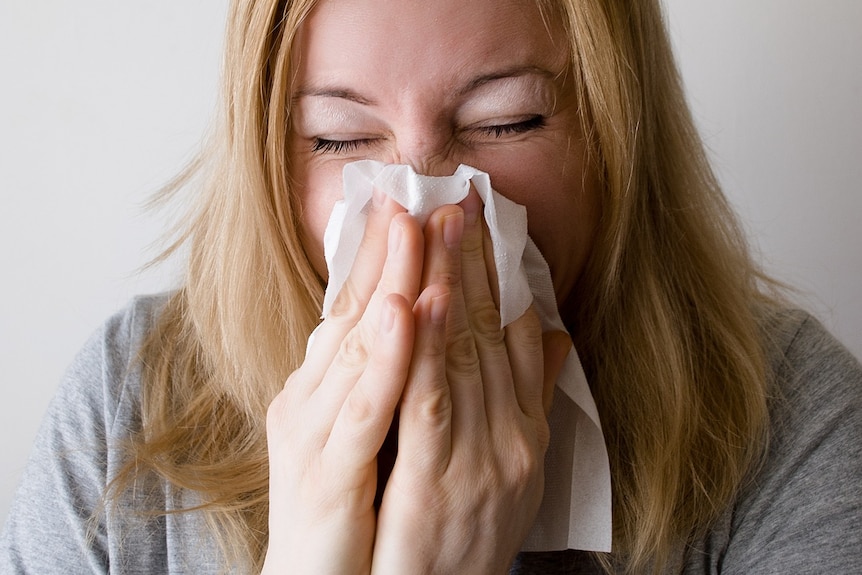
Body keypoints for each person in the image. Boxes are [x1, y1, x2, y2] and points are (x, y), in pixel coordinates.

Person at [2, 0, 860, 573]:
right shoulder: (127, 409)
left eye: (506, 121)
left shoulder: (787, 421)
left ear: (616, 135)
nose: (421, 206)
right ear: (267, 155)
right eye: (338, 138)